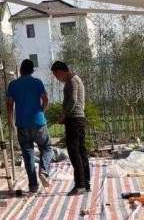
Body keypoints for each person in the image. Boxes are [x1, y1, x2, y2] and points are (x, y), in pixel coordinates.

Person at [6, 59, 53, 194]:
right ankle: (43, 171)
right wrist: (42, 111)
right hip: (38, 123)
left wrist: (11, 122)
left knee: (28, 155)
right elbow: (46, 99)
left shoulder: (13, 85)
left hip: (22, 124)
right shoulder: (37, 82)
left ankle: (33, 185)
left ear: (20, 70)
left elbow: (9, 105)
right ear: (32, 71)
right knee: (47, 147)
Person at [50, 61, 90, 195]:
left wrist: (64, 115)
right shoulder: (74, 80)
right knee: (81, 151)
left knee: (74, 152)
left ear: (61, 71)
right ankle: (86, 183)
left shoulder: (72, 81)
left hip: (74, 120)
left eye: (56, 75)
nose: (57, 78)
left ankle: (80, 185)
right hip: (78, 119)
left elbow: (72, 101)